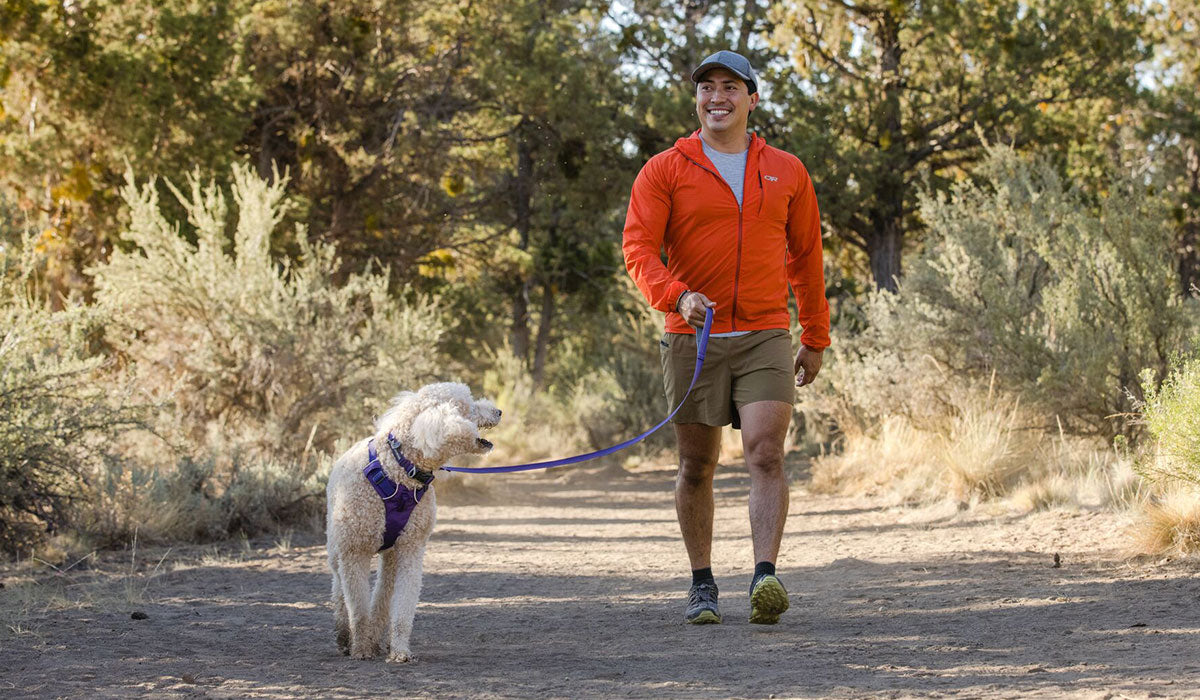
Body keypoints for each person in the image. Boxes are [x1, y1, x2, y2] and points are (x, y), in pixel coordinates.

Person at [622, 50, 830, 625]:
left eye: (730, 87)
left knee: (766, 452)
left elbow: (807, 256)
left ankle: (765, 576)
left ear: (752, 99)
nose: (718, 96)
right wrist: (677, 295)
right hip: (693, 334)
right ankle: (702, 583)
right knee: (696, 466)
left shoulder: (786, 170)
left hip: (765, 330)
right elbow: (638, 248)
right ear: (697, 101)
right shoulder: (665, 168)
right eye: (707, 87)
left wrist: (815, 335)